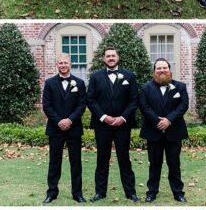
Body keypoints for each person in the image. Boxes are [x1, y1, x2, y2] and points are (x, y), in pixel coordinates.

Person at [86, 48, 139, 202]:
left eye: (113, 55)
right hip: (102, 125)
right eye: (108, 56)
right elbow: (91, 99)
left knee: (124, 158)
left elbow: (134, 100)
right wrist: (103, 117)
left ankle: (131, 192)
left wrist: (123, 118)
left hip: (122, 125)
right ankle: (100, 192)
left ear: (118, 57)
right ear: (104, 59)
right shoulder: (95, 77)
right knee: (102, 159)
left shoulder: (129, 76)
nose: (110, 58)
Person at [138, 59, 189, 204]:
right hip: (153, 132)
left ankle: (178, 193)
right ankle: (152, 192)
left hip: (174, 131)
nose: (162, 70)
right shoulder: (146, 87)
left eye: (164, 68)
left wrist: (169, 120)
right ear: (154, 71)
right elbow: (144, 106)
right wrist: (157, 121)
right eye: (159, 68)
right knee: (154, 163)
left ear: (169, 69)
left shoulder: (180, 86)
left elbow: (183, 105)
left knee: (174, 164)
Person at [42, 54, 88, 204]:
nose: (63, 65)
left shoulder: (79, 83)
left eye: (65, 63)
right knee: (54, 162)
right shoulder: (49, 83)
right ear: (57, 65)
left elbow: (82, 105)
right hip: (55, 129)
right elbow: (47, 106)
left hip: (73, 129)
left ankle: (77, 193)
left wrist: (69, 120)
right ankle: (52, 192)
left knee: (76, 163)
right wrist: (59, 121)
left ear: (70, 64)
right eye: (60, 63)